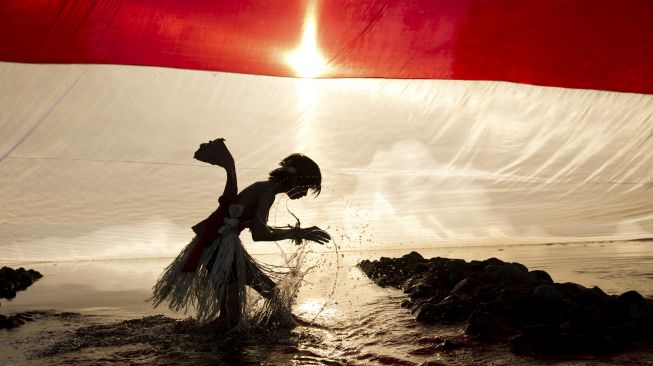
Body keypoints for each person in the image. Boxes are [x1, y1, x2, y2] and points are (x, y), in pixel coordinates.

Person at [151, 138, 330, 328]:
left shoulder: (264, 188)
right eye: (306, 187)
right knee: (232, 318)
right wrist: (299, 233)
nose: (304, 194)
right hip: (220, 250)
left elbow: (258, 228)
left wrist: (297, 232)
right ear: (295, 179)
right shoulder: (267, 193)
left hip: (221, 247)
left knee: (269, 294)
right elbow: (259, 234)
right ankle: (205, 347)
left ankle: (284, 325)